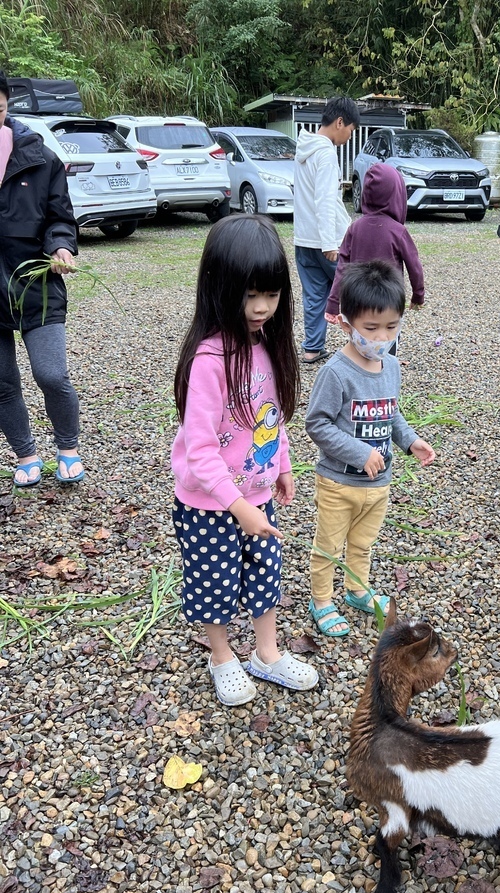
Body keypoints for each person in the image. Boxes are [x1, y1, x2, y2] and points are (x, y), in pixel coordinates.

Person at [172, 214, 318, 705]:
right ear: (219, 288)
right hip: (210, 503)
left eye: (272, 296)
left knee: (264, 575)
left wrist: (282, 467)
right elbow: (200, 449)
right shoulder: (210, 361)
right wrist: (239, 506)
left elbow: (270, 418)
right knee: (213, 581)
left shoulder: (267, 347)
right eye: (249, 295)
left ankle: (266, 653)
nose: (261, 308)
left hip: (255, 496)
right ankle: (221, 655)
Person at [305, 261, 435, 636]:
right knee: (328, 547)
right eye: (371, 328)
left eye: (391, 327)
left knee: (362, 544)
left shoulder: (391, 367)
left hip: (379, 486)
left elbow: (391, 413)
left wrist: (411, 441)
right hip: (338, 484)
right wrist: (359, 453)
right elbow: (317, 423)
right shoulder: (335, 373)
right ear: (346, 324)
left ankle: (357, 589)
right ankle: (322, 600)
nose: (381, 337)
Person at [0, 69, 83, 487]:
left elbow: (60, 218)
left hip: (37, 283)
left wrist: (61, 247)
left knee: (51, 374)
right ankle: (25, 453)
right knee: (2, 381)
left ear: (6, 101)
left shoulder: (39, 155)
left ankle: (68, 447)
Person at [326, 162, 425, 356]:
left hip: (358, 300)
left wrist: (333, 303)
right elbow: (415, 266)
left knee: (359, 343)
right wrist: (418, 295)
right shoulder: (398, 231)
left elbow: (342, 267)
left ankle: (361, 374)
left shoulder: (355, 228)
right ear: (397, 196)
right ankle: (383, 375)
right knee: (387, 344)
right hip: (388, 300)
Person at [293, 96, 360, 366]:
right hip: (327, 240)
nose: (349, 136)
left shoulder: (303, 149)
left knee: (314, 294)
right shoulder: (326, 153)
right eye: (351, 130)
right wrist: (330, 243)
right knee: (354, 290)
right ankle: (363, 344)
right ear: (340, 122)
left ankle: (312, 348)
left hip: (303, 238)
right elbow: (324, 199)